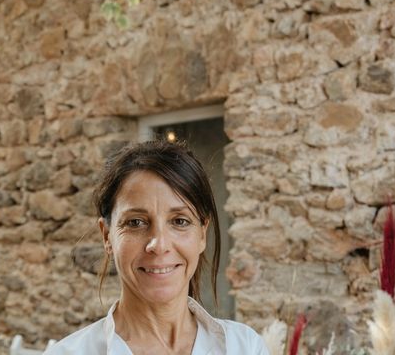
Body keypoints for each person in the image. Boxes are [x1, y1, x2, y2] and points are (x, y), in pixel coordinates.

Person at [45, 140, 268, 354]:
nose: (159, 245)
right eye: (135, 222)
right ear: (107, 235)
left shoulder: (245, 347)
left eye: (180, 221)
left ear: (202, 233)